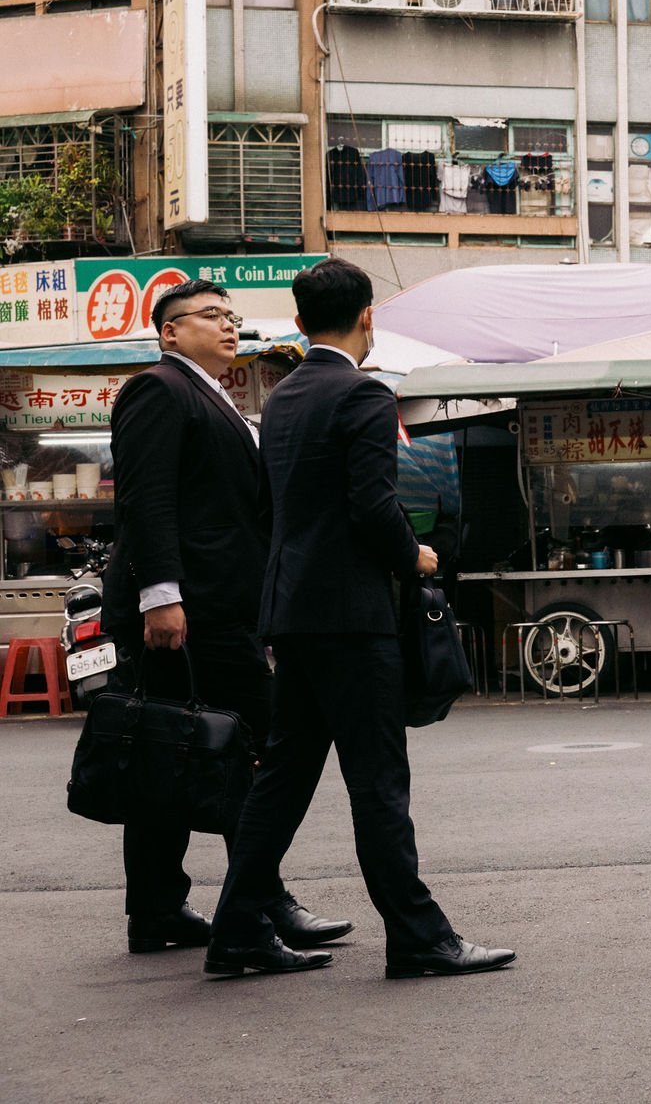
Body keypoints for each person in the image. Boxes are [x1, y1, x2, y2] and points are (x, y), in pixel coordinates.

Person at [204, 259, 514, 980]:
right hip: (351, 617)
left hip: (294, 613)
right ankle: (417, 937)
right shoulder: (365, 396)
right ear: (368, 317)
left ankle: (238, 928)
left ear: (302, 320)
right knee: (377, 781)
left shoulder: (282, 399)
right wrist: (417, 558)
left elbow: (278, 508)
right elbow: (371, 507)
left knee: (283, 777)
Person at [102, 279, 349, 956]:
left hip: (217, 606)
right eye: (211, 316)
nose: (228, 326)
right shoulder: (158, 388)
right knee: (259, 749)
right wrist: (161, 594)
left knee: (167, 754)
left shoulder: (216, 396)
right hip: (191, 611)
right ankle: (262, 904)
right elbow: (146, 500)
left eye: (232, 317)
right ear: (169, 333)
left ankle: (156, 909)